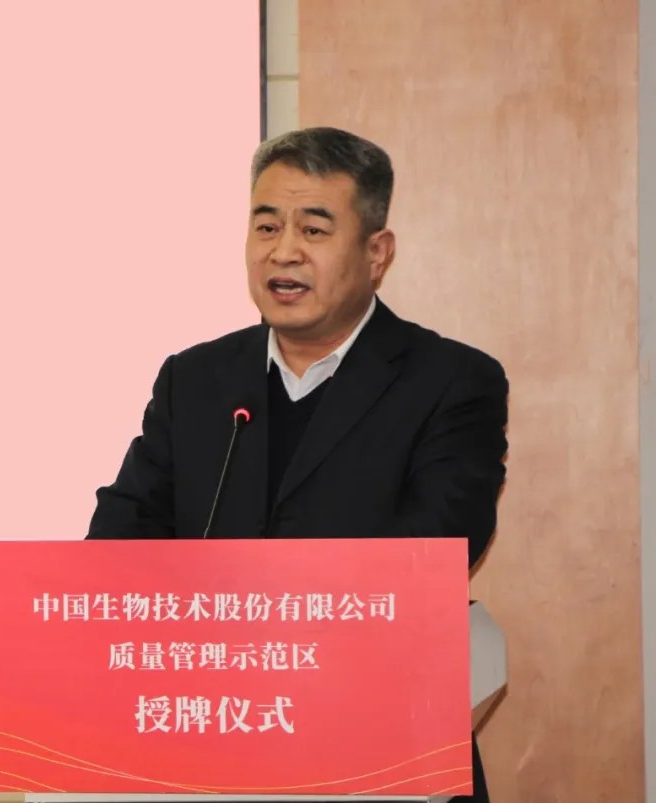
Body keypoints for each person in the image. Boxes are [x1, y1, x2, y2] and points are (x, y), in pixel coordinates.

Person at [86, 126, 508, 803]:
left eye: (313, 230)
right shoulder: (195, 380)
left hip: (379, 751)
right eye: (266, 226)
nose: (283, 251)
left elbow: (437, 543)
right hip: (209, 753)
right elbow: (119, 541)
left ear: (377, 253)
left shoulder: (450, 381)